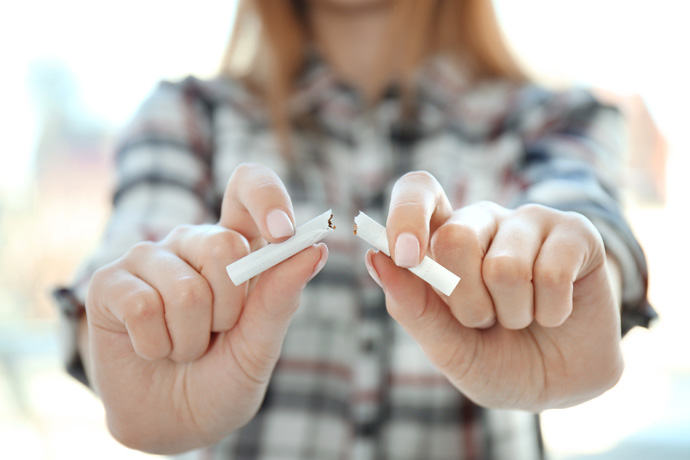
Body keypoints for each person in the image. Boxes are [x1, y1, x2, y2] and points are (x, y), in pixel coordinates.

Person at [54, 0, 655, 458]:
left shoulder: (554, 119)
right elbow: (127, 270)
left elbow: (587, 215)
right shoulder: (187, 117)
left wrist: (575, 275)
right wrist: (130, 343)